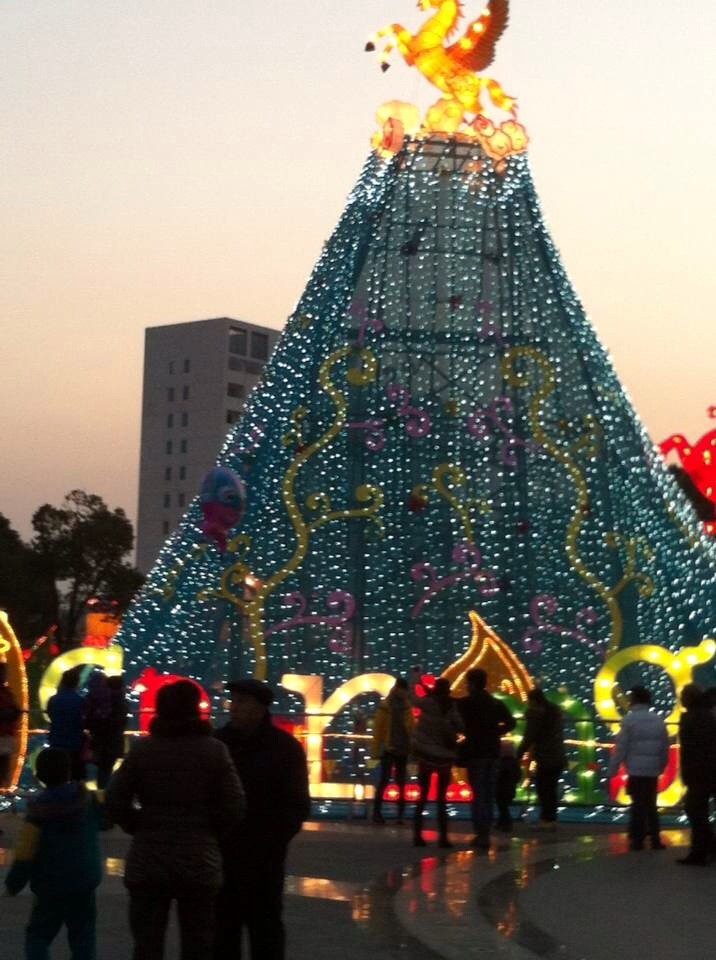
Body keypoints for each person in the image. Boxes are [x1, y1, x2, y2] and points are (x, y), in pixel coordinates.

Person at [106, 680, 245, 960]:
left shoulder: (143, 750)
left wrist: (137, 824)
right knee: (198, 942)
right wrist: (211, 831)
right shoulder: (215, 750)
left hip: (149, 857)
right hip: (199, 858)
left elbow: (115, 797)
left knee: (147, 943)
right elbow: (234, 803)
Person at [214, 678, 310, 960]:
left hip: (263, 855)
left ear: (260, 707)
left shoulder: (284, 748)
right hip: (225, 851)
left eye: (241, 702)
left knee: (264, 926)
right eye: (233, 701)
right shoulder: (219, 743)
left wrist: (273, 840)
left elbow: (296, 804)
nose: (233, 708)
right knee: (224, 928)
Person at [5, 747, 102, 960]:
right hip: (85, 880)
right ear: (69, 771)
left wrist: (13, 884)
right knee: (83, 936)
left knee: (38, 936)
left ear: (39, 776)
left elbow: (24, 855)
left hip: (50, 885)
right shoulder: (88, 801)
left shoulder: (37, 813)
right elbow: (107, 813)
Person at [456, 668, 516, 849]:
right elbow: (511, 722)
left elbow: (454, 719)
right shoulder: (495, 703)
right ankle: (486, 831)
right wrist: (495, 731)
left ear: (472, 683)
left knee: (478, 793)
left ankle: (480, 832)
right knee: (489, 793)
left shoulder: (465, 703)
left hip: (475, 752)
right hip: (493, 752)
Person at [607, 685, 668, 851]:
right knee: (651, 804)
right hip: (652, 770)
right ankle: (655, 839)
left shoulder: (629, 720)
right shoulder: (658, 720)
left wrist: (612, 769)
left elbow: (621, 748)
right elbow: (664, 747)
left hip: (635, 770)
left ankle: (637, 839)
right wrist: (661, 767)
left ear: (634, 700)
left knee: (637, 805)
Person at [411, 677, 462, 849]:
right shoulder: (451, 705)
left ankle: (417, 835)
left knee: (422, 795)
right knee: (442, 798)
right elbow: (461, 725)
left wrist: (415, 680)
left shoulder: (427, 702)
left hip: (425, 755)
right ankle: (443, 837)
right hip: (444, 757)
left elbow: (413, 699)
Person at [677, 683, 716, 866]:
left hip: (698, 772)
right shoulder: (707, 715)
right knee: (697, 811)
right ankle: (707, 847)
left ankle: (701, 851)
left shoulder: (692, 718)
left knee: (695, 811)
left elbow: (691, 749)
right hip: (707, 771)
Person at [518, 688, 566, 828]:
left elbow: (529, 737)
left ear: (532, 701)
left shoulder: (535, 714)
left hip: (545, 757)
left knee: (543, 788)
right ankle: (551, 819)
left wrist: (519, 753)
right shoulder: (555, 712)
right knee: (551, 788)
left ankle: (546, 820)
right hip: (558, 755)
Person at [371, 678, 414, 824]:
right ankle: (380, 813)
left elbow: (411, 728)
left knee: (398, 782)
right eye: (404, 690)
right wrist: (375, 751)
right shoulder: (386, 707)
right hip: (390, 748)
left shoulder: (404, 707)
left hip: (402, 748)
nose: (405, 693)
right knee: (387, 781)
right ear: (397, 688)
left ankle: (396, 815)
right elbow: (378, 730)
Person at [84, 672, 127, 790]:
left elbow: (90, 722)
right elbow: (121, 723)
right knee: (106, 772)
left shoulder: (99, 701)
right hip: (113, 743)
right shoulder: (121, 702)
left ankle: (98, 794)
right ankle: (105, 795)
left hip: (99, 742)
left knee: (101, 772)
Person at [47, 667, 87, 781]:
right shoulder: (80, 701)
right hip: (75, 743)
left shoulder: (53, 700)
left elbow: (51, 716)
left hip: (56, 741)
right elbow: (83, 721)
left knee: (57, 775)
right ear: (76, 683)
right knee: (75, 775)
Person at [0, 660, 21, 790]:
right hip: (4, 735)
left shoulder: (7, 692)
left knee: (4, 766)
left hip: (5, 736)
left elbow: (15, 710)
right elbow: (15, 710)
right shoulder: (6, 693)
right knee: (3, 767)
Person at [495, 736, 521, 833]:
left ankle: (507, 823)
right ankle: (501, 822)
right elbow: (518, 776)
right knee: (503, 806)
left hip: (500, 790)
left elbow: (497, 775)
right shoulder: (514, 763)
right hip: (510, 789)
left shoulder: (500, 763)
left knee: (502, 806)